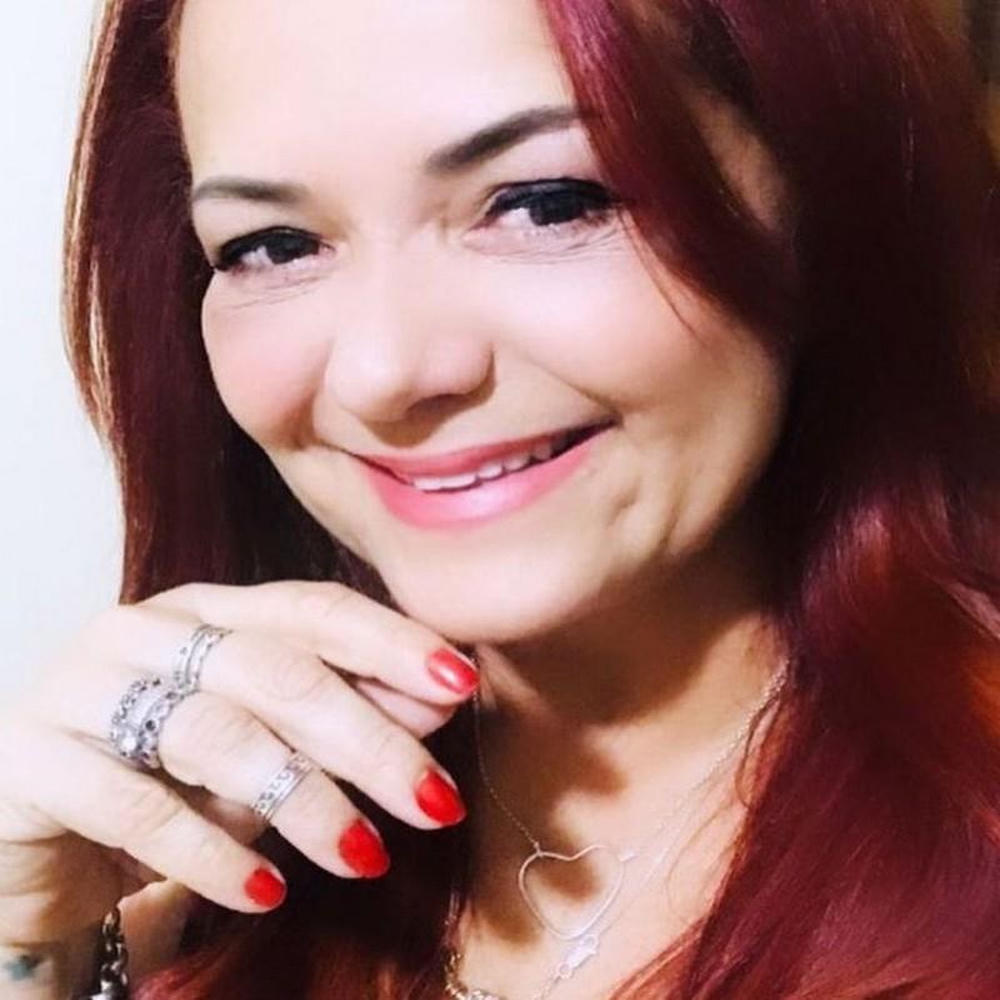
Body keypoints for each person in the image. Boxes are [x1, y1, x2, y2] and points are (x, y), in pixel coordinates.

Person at [1, 0, 998, 996]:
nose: (383, 372)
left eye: (547, 203)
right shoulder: (207, 868)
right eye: (274, 244)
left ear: (820, 200)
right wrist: (40, 954)